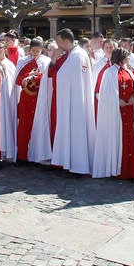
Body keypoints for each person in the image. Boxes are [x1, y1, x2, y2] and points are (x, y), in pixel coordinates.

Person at [50, 28, 95, 175]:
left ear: (66, 41)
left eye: (58, 41)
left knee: (76, 133)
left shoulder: (76, 56)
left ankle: (77, 165)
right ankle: (68, 162)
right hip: (74, 100)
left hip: (75, 102)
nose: (57, 45)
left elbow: (60, 76)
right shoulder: (75, 54)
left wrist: (54, 60)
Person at [92, 48, 134, 180]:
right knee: (119, 139)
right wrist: (116, 100)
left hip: (128, 110)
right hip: (116, 112)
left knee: (129, 138)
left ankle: (130, 170)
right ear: (121, 57)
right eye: (127, 56)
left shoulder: (128, 71)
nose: (129, 58)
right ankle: (118, 169)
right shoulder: (109, 73)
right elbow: (105, 94)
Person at [14, 37, 50, 162]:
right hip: (26, 98)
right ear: (29, 50)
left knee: (39, 126)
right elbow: (17, 80)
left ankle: (38, 156)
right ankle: (22, 155)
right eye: (33, 50)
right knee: (24, 126)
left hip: (39, 99)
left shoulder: (46, 62)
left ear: (42, 50)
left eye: (37, 50)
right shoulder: (23, 61)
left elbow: (47, 80)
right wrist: (27, 76)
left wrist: (37, 77)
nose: (35, 53)